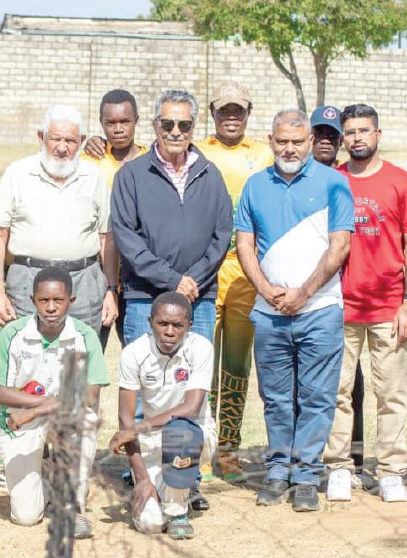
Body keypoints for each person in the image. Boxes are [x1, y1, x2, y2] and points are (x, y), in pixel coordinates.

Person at [235, 108, 354, 512]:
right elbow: (245, 244)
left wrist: (303, 293)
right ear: (270, 141)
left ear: (309, 143)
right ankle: (277, 471)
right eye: (282, 141)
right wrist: (267, 290)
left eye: (297, 141)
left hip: (319, 310)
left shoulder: (335, 183)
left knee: (317, 397)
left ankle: (306, 475)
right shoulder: (254, 185)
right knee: (276, 398)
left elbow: (340, 247)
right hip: (269, 313)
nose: (289, 148)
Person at [323, 104, 407, 503]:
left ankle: (391, 470)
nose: (357, 138)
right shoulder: (332, 180)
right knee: (337, 391)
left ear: (378, 134)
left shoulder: (401, 182)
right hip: (340, 305)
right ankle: (339, 467)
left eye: (365, 130)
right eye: (350, 132)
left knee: (392, 393)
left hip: (389, 307)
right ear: (343, 138)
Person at [0, 267, 109, 539]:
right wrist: (42, 407)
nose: (51, 307)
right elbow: (1, 393)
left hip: (62, 417)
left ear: (71, 301)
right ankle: (48, 476)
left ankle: (74, 504)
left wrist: (38, 410)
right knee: (26, 517)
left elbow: (89, 395)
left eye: (58, 300)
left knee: (84, 420)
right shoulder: (13, 334)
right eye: (44, 300)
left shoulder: (84, 336)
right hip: (18, 422)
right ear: (33, 300)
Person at [110, 89, 233, 344]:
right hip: (146, 298)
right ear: (156, 125)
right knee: (146, 380)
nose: (175, 131)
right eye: (167, 124)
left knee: (194, 382)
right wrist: (173, 280)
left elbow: (221, 236)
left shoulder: (211, 175)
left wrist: (191, 281)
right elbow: (127, 239)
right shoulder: (131, 175)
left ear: (193, 127)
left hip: (198, 298)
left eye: (184, 124)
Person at [196, 81, 272, 481]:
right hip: (206, 271)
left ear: (248, 112)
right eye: (224, 110)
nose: (231, 117)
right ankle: (202, 449)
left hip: (247, 274)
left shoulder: (262, 154)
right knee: (202, 364)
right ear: (212, 112)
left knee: (237, 366)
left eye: (238, 110)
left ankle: (228, 449)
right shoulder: (198, 152)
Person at [0, 105, 118, 332]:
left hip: (83, 284)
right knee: (28, 360)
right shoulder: (18, 173)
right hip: (27, 284)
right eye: (55, 139)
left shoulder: (93, 176)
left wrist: (111, 290)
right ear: (41, 137)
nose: (63, 148)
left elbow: (107, 238)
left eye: (71, 140)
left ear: (82, 140)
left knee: (77, 362)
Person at [109, 291, 217, 540]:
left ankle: (178, 511)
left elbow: (190, 408)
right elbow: (126, 422)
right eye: (162, 324)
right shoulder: (133, 354)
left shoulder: (200, 347)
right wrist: (142, 478)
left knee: (181, 433)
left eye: (178, 325)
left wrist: (138, 427)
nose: (169, 331)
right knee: (150, 523)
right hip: (151, 440)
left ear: (189, 326)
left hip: (194, 434)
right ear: (150, 323)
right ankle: (171, 488)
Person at [309, 105, 367, 470]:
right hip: (310, 296)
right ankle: (311, 454)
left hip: (350, 295)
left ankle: (353, 453)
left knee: (351, 381)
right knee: (312, 383)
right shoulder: (299, 178)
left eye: (334, 135)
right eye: (321, 134)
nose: (327, 141)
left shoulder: (349, 177)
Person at [81, 89, 147, 348]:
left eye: (125, 122)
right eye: (111, 123)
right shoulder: (88, 163)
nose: (118, 129)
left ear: (137, 121)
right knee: (87, 357)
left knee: (141, 357)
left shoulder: (152, 160)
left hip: (139, 277)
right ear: (101, 124)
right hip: (96, 275)